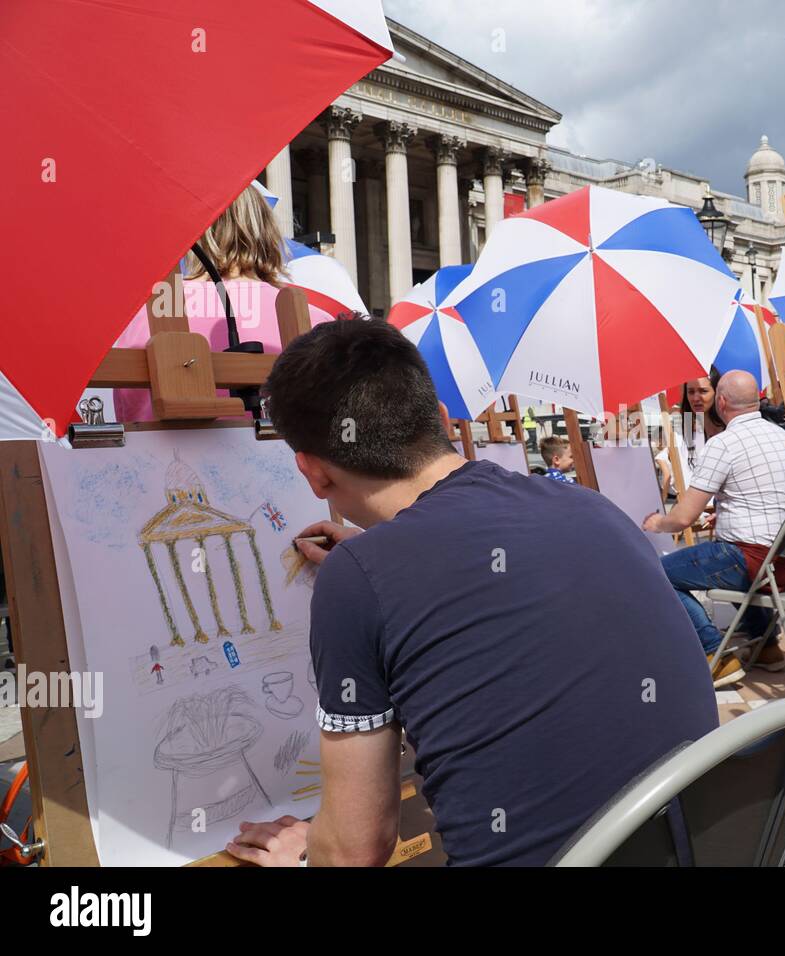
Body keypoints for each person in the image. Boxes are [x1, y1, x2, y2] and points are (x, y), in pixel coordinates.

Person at [227, 319, 717, 867]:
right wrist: (378, 557)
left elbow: (351, 852)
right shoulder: (593, 508)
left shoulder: (358, 580)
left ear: (313, 475)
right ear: (439, 422)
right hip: (711, 842)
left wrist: (299, 856)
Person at [113, 184, 334, 421]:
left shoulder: (150, 313)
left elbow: (128, 415)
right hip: (285, 455)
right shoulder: (317, 322)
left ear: (199, 238)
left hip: (166, 456)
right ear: (268, 235)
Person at [643, 371, 785, 688]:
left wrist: (656, 522)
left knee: (656, 572)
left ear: (722, 400)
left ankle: (714, 655)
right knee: (719, 557)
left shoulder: (723, 444)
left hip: (754, 562)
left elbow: (682, 518)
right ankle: (767, 647)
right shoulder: (783, 435)